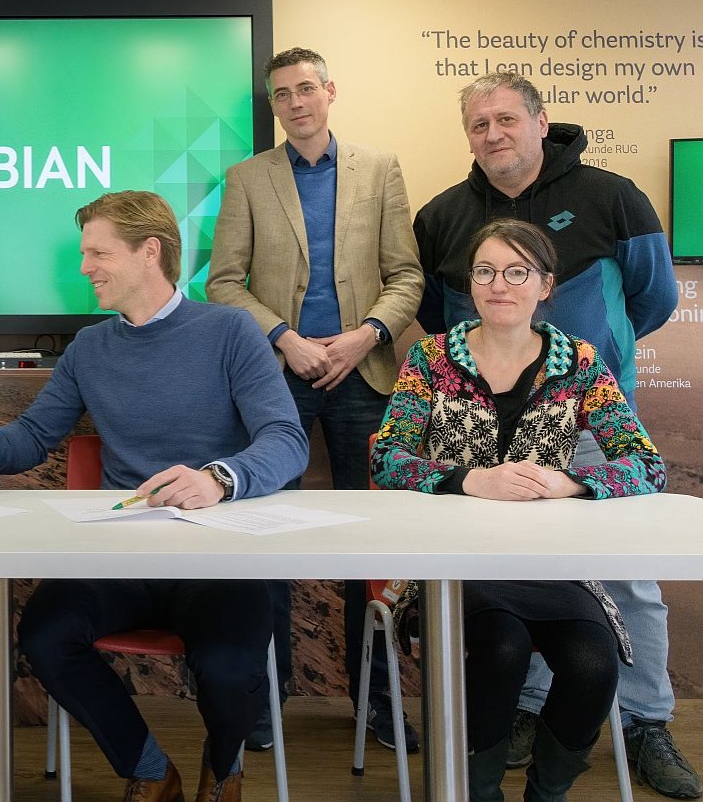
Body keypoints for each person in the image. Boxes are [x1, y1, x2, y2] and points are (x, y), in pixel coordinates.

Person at [0, 190, 309, 802]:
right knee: (44, 636)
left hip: (218, 557)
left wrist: (217, 479)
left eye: (98, 253)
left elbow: (286, 439)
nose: (84, 267)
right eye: (83, 254)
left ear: (150, 252)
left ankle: (222, 768)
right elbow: (33, 437)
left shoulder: (229, 331)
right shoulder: (90, 347)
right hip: (123, 554)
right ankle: (149, 769)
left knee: (230, 669)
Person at [413, 71, 696, 799]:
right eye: (479, 124)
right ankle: (525, 710)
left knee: (626, 578)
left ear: (542, 122)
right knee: (514, 575)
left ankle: (646, 721)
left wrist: (579, 361)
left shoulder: (613, 196)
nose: (493, 134)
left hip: (590, 420)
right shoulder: (442, 215)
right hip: (484, 431)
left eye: (507, 119)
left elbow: (655, 297)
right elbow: (444, 319)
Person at [372, 217, 665, 802]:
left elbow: (646, 464)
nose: (498, 284)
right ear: (470, 283)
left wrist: (570, 482)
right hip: (454, 565)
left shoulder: (579, 362)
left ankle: (546, 794)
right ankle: (479, 792)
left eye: (516, 272)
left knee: (594, 661)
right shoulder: (432, 358)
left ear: (545, 284)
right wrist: (469, 480)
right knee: (501, 647)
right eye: (485, 271)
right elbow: (386, 457)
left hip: (548, 562)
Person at [206, 46, 423, 753]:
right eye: (282, 94)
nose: (295, 102)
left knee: (372, 544)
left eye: (305, 88)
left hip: (365, 374)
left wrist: (366, 335)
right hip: (279, 377)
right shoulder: (247, 178)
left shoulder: (379, 169)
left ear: (330, 91)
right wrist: (285, 338)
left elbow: (407, 276)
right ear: (273, 105)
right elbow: (223, 283)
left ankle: (377, 703)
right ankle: (264, 700)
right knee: (266, 536)